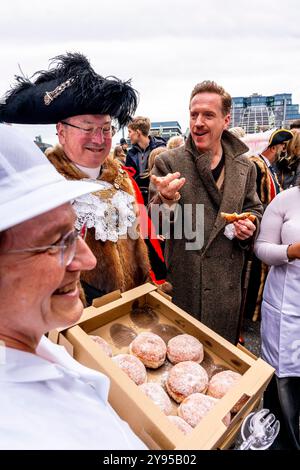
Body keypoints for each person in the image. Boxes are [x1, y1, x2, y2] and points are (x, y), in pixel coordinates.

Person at [0, 124, 146, 450]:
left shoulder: (30, 342)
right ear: (61, 132)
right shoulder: (20, 435)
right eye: (58, 242)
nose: (88, 259)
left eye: (74, 233)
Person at [0, 53, 150, 306]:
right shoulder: (41, 190)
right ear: (61, 132)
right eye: (88, 128)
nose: (99, 139)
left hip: (132, 314)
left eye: (105, 129)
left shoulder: (123, 179)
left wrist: (165, 201)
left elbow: (144, 234)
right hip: (75, 321)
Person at [149, 80, 263, 344]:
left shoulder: (245, 167)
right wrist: (165, 200)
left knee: (222, 363)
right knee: (182, 364)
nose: (198, 122)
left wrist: (249, 226)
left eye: (208, 115)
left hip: (226, 288)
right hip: (185, 285)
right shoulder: (169, 162)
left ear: (225, 119)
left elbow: (253, 208)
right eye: (193, 114)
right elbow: (157, 227)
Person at [254, 183, 300, 449]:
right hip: (287, 311)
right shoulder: (285, 200)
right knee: (284, 392)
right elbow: (261, 247)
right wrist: (290, 251)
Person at [245, 129, 293, 322]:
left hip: (267, 223)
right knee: (255, 271)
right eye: (281, 146)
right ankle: (249, 313)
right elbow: (252, 200)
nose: (283, 150)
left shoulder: (267, 166)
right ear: (273, 147)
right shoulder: (256, 166)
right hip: (260, 224)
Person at [125, 116, 166, 203]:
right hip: (138, 200)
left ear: (138, 132)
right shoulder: (130, 154)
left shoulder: (161, 149)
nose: (128, 136)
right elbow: (128, 179)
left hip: (158, 199)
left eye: (130, 132)